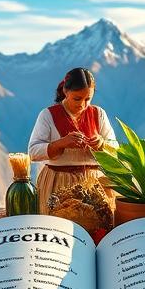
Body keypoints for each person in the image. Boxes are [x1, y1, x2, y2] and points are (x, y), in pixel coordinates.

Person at [27, 67, 117, 215]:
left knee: (97, 229)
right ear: (65, 91)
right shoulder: (48, 115)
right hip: (58, 183)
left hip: (94, 184)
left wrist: (101, 143)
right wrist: (60, 143)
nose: (82, 104)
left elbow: (115, 148)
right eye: (77, 98)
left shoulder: (98, 114)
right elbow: (33, 152)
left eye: (88, 99)